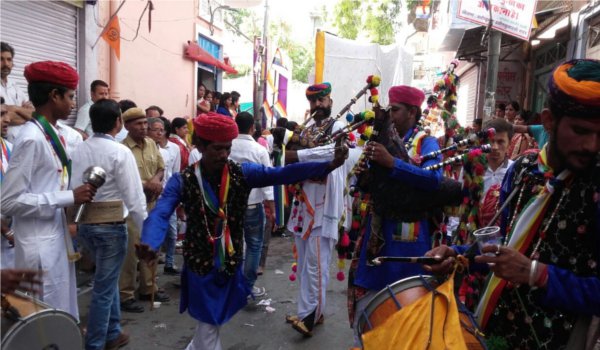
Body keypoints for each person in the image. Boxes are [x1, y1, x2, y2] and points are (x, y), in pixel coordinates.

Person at [425, 58, 600, 349]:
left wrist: (537, 274)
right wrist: (457, 255)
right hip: (491, 332)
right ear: (548, 121)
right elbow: (503, 246)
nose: (592, 146)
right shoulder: (524, 170)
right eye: (581, 131)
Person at [136, 112, 347, 350]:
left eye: (227, 148)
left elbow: (281, 174)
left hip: (229, 263)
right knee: (209, 322)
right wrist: (151, 241)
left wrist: (328, 165)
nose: (224, 155)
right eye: (217, 149)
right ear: (201, 146)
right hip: (200, 265)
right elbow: (161, 212)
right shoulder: (182, 180)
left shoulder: (241, 173)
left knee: (210, 324)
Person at [349, 85, 444, 347]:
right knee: (370, 302)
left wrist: (393, 163)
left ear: (413, 111)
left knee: (408, 304)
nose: (391, 114)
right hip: (377, 233)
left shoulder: (426, 142)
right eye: (390, 109)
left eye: (396, 110)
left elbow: (435, 179)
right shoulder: (382, 137)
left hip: (410, 238)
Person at [1, 61, 97, 319]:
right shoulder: (31, 138)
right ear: (54, 96)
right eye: (70, 96)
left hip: (56, 238)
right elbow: (8, 202)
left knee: (61, 310)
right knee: (43, 319)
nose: (73, 103)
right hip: (37, 246)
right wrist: (68, 196)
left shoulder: (54, 133)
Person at [71, 98, 147, 350]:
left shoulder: (80, 148)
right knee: (104, 287)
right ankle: (95, 343)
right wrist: (146, 232)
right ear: (118, 122)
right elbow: (134, 197)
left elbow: (73, 187)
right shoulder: (120, 151)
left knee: (107, 279)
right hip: (110, 226)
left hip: (86, 224)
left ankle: (112, 332)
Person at [282, 82, 346, 336]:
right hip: (303, 202)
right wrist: (295, 152)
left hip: (324, 202)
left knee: (316, 264)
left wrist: (299, 156)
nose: (318, 105)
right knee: (304, 260)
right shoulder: (306, 127)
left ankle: (312, 315)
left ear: (330, 100)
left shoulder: (339, 126)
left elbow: (334, 151)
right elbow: (290, 150)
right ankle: (307, 310)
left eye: (322, 100)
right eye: (313, 101)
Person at [119, 107, 168, 313]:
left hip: (151, 203)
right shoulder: (122, 148)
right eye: (138, 124)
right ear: (127, 126)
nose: (143, 127)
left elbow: (160, 167)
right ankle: (125, 294)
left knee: (151, 245)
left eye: (145, 123)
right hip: (131, 207)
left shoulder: (150, 144)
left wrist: (155, 181)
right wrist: (145, 184)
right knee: (131, 251)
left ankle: (148, 288)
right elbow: (122, 178)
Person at [230, 112, 274, 297]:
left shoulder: (227, 147)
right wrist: (272, 207)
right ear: (252, 128)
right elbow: (267, 180)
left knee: (232, 245)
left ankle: (232, 284)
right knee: (254, 245)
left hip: (230, 205)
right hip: (253, 205)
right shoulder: (259, 150)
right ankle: (247, 287)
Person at [148, 117, 181, 275]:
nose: (159, 133)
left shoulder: (173, 149)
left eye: (162, 130)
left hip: (168, 196)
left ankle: (170, 261)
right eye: (156, 130)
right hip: (151, 197)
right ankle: (150, 270)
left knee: (172, 231)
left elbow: (175, 172)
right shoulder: (148, 149)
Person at [476, 118, 514, 227]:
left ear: (509, 145)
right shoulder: (473, 169)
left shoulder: (515, 170)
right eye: (491, 141)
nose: (495, 147)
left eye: (500, 142)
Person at [0, 42, 34, 143]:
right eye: (1, 59)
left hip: (20, 144)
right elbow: (7, 118)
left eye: (9, 59)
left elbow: (34, 114)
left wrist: (14, 108)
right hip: (4, 147)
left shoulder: (15, 86)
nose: (6, 64)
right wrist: (23, 112)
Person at [1, 97, 15, 269]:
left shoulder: (9, 147)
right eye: (1, 114)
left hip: (10, 236)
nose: (8, 120)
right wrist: (7, 230)